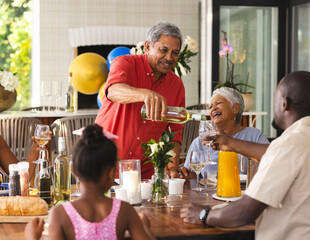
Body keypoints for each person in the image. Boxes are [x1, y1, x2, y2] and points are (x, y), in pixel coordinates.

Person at [180, 71, 310, 239]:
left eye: (275, 99)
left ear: (284, 103)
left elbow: (243, 213)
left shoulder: (287, 145)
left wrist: (203, 214)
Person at [25, 124, 155, 240]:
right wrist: (145, 228)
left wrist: (32, 237)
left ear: (73, 170)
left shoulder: (60, 214)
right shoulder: (125, 211)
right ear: (111, 173)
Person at [95, 21, 185, 179]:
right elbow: (113, 91)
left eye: (175, 53)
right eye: (163, 50)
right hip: (102, 164)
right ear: (148, 46)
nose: (169, 58)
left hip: (143, 175)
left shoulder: (176, 85)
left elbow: (174, 132)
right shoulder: (124, 63)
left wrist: (172, 167)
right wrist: (145, 94)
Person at [180, 87, 269, 179]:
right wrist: (187, 175)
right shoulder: (199, 142)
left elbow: (272, 159)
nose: (213, 108)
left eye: (218, 103)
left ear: (235, 108)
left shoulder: (254, 135)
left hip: (244, 191)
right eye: (210, 107)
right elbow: (194, 176)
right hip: (210, 192)